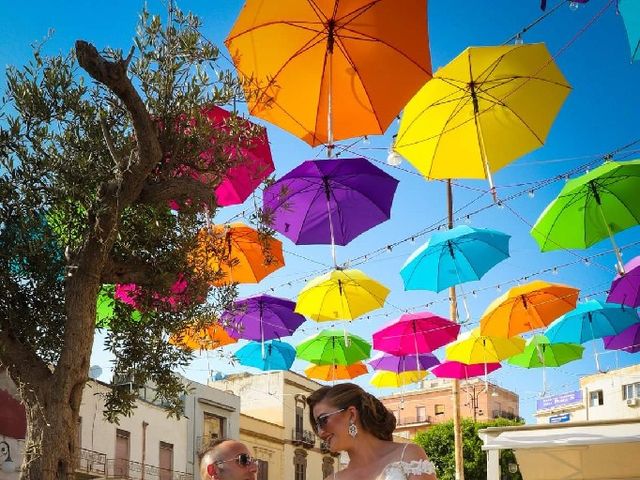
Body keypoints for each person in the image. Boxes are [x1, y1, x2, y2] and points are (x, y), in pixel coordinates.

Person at [307, 383, 437, 480]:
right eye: (316, 425)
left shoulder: (408, 455)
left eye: (323, 420)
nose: (320, 432)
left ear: (351, 415)